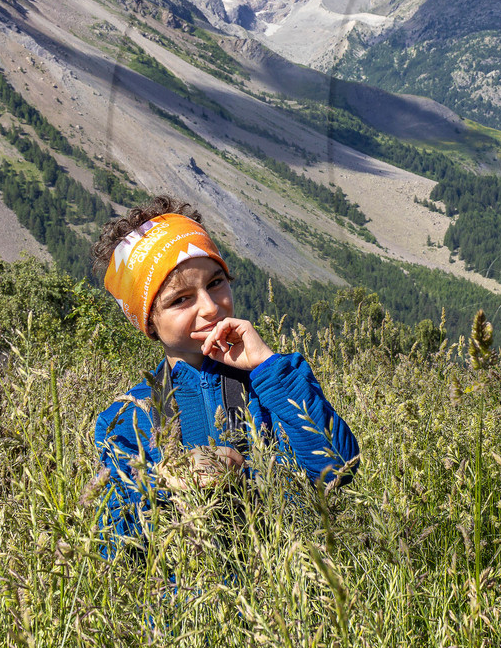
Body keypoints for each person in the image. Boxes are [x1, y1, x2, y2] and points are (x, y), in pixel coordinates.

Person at [91, 196, 359, 550]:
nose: (210, 306)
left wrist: (265, 364)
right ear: (148, 322)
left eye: (216, 282)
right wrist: (166, 485)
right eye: (181, 299)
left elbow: (338, 467)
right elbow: (113, 544)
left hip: (287, 588)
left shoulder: (274, 380)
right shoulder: (127, 418)